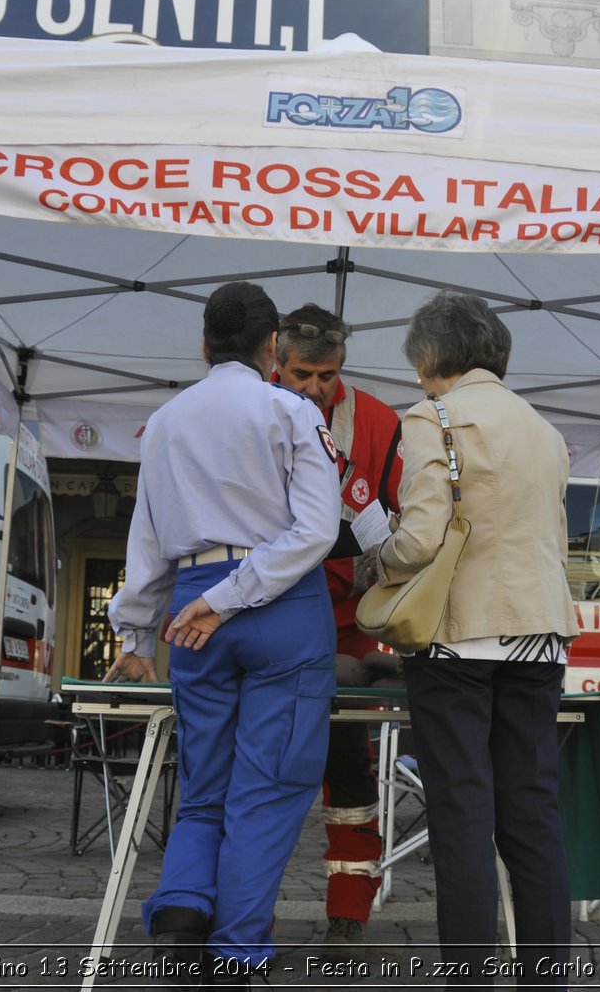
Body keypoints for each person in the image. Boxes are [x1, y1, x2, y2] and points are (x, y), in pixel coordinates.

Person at [105, 281, 339, 988]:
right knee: (266, 788)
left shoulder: (166, 420)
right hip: (279, 604)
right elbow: (317, 530)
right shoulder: (291, 410)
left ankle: (179, 914)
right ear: (275, 347)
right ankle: (237, 951)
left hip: (187, 604)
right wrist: (232, 596)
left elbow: (145, 541)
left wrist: (136, 636)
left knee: (205, 782)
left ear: (204, 345)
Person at [371, 292, 578, 987]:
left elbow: (423, 535)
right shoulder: (545, 430)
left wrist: (380, 559)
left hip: (458, 637)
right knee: (533, 816)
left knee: (463, 817)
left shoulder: (432, 417)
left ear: (429, 357)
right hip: (540, 632)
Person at [273, 303, 403, 961]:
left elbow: (402, 531)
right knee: (262, 770)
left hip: (348, 627)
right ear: (277, 360)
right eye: (302, 373)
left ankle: (350, 911)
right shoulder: (251, 411)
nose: (314, 388)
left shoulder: (380, 423)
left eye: (328, 375)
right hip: (267, 622)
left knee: (350, 773)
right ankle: (241, 908)